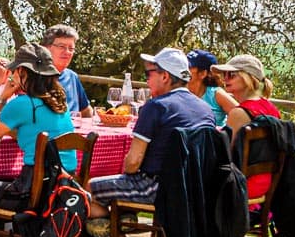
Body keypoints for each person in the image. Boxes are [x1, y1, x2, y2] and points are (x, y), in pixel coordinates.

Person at [87, 47, 214, 223]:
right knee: (117, 190)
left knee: (87, 189)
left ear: (165, 76)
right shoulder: (205, 110)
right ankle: (124, 221)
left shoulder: (156, 107)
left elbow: (133, 162)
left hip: (156, 188)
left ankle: (119, 236)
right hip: (195, 189)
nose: (146, 80)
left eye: (149, 74)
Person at [0, 43, 76, 210]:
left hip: (32, 190)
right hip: (61, 187)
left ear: (23, 72)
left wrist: (3, 97)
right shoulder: (60, 103)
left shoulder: (23, 104)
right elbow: (34, 132)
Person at [214, 53, 281, 199]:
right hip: (267, 183)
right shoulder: (272, 109)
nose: (225, 78)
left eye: (231, 74)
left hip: (240, 185)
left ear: (247, 77)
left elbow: (225, 155)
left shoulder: (239, 113)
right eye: (224, 74)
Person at [41, 24, 93, 118]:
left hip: (73, 131)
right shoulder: (33, 77)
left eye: (71, 48)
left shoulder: (72, 76)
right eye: (61, 46)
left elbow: (86, 110)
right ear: (47, 48)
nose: (67, 52)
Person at [187, 49, 238, 127]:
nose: (183, 68)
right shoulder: (179, 93)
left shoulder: (216, 95)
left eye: (189, 67)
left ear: (203, 74)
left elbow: (243, 117)